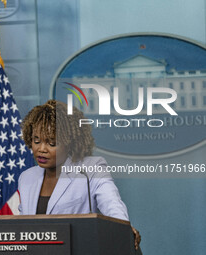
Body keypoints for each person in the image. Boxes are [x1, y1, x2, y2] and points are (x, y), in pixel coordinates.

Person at [18, 99, 141, 249]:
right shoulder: (26, 178)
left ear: (69, 142)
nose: (41, 149)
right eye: (36, 141)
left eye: (51, 143)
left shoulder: (90, 169)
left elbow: (111, 203)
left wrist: (123, 228)